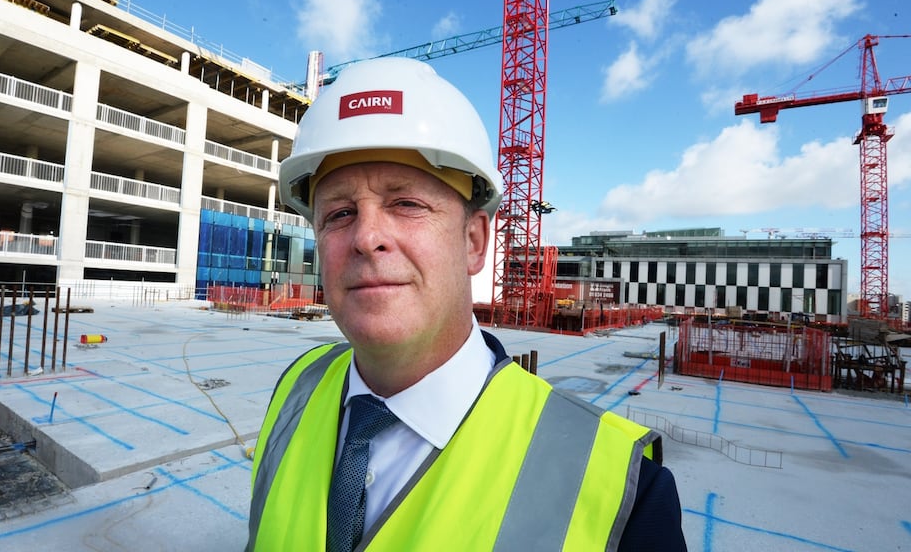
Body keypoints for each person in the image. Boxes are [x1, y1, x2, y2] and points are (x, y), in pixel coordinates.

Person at [247, 57, 687, 551]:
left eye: (406, 204)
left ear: (475, 242)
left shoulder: (621, 497)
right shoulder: (295, 391)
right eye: (340, 213)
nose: (367, 237)